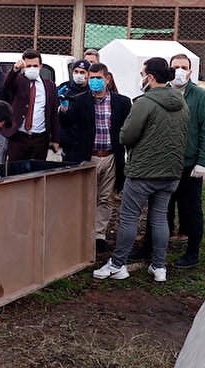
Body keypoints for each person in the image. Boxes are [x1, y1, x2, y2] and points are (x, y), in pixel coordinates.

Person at [93, 58, 189, 283]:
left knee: (129, 218)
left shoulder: (145, 102)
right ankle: (159, 266)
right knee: (159, 218)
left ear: (151, 77)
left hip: (143, 172)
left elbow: (126, 135)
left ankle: (117, 264)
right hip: (171, 171)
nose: (142, 77)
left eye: (143, 73)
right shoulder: (182, 102)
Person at [131, 54, 205, 268]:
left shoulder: (198, 95)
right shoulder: (160, 92)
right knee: (159, 209)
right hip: (164, 163)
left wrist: (202, 161)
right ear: (169, 70)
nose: (179, 70)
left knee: (191, 210)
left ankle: (192, 253)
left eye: (183, 67)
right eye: (175, 67)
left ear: (190, 71)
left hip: (188, 165)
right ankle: (150, 247)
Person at [59, 63, 131, 253]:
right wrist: (64, 110)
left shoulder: (122, 102)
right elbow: (67, 124)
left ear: (107, 79)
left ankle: (99, 235)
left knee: (106, 198)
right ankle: (81, 233)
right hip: (87, 157)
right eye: (91, 78)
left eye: (98, 78)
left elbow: (127, 130)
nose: (94, 81)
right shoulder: (78, 100)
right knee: (85, 197)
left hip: (110, 156)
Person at [3, 49, 60, 161]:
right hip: (19, 136)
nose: (32, 68)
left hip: (40, 138)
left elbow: (53, 113)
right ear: (24, 67)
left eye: (35, 65)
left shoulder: (49, 85)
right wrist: (15, 70)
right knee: (16, 172)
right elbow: (7, 84)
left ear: (40, 66)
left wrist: (55, 139)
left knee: (38, 172)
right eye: (28, 66)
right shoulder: (18, 81)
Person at [57, 59, 91, 159]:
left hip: (86, 139)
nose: (78, 75)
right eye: (76, 72)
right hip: (68, 140)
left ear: (88, 74)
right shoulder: (65, 88)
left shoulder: (92, 90)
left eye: (82, 72)